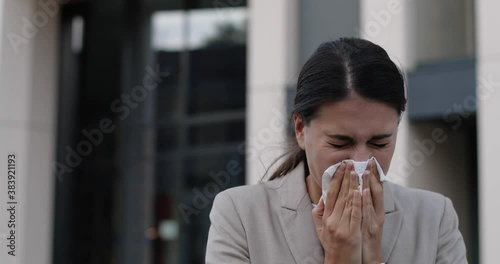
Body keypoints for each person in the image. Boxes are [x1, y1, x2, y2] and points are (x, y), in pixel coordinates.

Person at [205, 38, 468, 264]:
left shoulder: (433, 218)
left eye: (379, 143)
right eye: (340, 143)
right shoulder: (242, 215)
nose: (361, 161)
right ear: (300, 129)